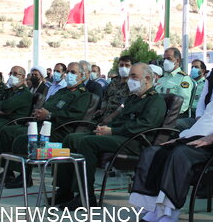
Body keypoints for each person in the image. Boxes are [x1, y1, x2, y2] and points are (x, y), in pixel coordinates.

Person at [127, 54, 213, 222]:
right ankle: (154, 210)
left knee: (180, 154)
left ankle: (170, 216)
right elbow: (201, 124)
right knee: (154, 152)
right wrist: (181, 137)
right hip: (199, 143)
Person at [54, 63, 166, 207]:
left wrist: (112, 131)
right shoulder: (134, 98)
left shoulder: (155, 100)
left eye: (134, 76)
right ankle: (65, 190)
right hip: (120, 136)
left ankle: (85, 196)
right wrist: (104, 128)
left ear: (147, 78)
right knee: (71, 139)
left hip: (135, 141)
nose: (130, 79)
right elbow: (119, 120)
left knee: (88, 142)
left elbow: (143, 126)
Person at [0, 62, 91, 188]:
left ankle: (24, 176)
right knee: (9, 131)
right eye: (68, 72)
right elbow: (48, 105)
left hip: (60, 133)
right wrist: (40, 112)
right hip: (44, 127)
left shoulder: (83, 94)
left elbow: (74, 115)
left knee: (22, 139)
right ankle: (11, 172)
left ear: (82, 76)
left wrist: (50, 115)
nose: (69, 75)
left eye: (73, 73)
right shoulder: (61, 91)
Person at [155, 47, 193, 116]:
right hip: (158, 113)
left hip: (172, 115)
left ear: (177, 61)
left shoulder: (183, 79)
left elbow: (183, 103)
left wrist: (169, 114)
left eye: (169, 59)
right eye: (164, 59)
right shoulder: (162, 78)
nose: (165, 62)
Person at [94, 55, 132, 122]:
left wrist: (110, 117)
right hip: (105, 115)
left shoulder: (132, 84)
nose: (124, 68)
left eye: (127, 65)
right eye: (121, 65)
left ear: (132, 67)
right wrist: (102, 109)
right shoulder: (114, 81)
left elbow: (125, 105)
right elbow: (105, 97)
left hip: (118, 119)